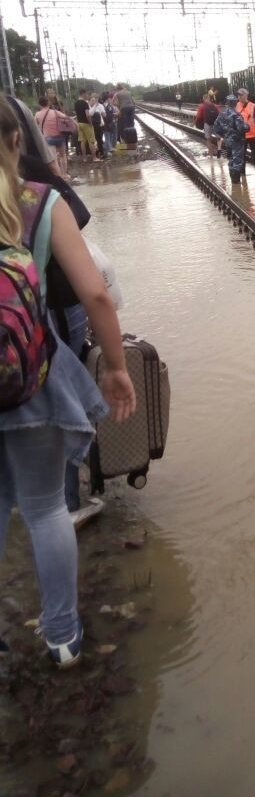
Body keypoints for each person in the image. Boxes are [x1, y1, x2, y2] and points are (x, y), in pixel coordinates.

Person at [0, 93, 136, 668]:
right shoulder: (39, 202)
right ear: (16, 143)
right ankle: (62, 637)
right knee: (44, 508)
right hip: (29, 377)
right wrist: (117, 367)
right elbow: (95, 292)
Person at [212, 92, 249, 183]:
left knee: (231, 159)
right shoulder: (236, 114)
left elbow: (216, 127)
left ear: (227, 102)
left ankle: (233, 181)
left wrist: (223, 135)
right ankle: (236, 181)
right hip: (237, 140)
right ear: (235, 103)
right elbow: (241, 128)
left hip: (227, 140)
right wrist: (247, 126)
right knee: (237, 160)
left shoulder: (222, 114)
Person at [35, 96, 73, 178]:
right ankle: (65, 174)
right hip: (59, 137)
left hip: (48, 138)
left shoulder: (37, 114)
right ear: (48, 103)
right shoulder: (55, 112)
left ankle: (58, 176)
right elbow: (66, 118)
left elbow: (35, 125)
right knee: (63, 156)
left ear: (39, 104)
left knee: (54, 158)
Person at [237, 88, 255, 171]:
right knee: (241, 154)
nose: (239, 97)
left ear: (246, 95)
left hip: (253, 134)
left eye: (241, 95)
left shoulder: (253, 106)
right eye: (238, 95)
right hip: (241, 135)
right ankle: (242, 172)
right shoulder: (237, 105)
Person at [74, 89, 96, 161]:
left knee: (82, 141)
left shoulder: (76, 103)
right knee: (91, 141)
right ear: (83, 94)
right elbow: (87, 115)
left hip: (79, 123)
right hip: (86, 123)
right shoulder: (85, 103)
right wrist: (90, 123)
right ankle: (94, 157)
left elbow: (77, 114)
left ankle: (84, 158)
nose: (87, 96)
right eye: (86, 94)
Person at [89, 94, 105, 160]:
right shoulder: (89, 107)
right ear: (90, 101)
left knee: (100, 140)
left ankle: (101, 153)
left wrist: (101, 111)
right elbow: (90, 113)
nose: (94, 101)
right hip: (92, 126)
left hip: (100, 125)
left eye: (95, 100)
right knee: (93, 140)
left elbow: (104, 114)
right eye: (92, 100)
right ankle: (95, 153)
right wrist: (95, 106)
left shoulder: (100, 106)